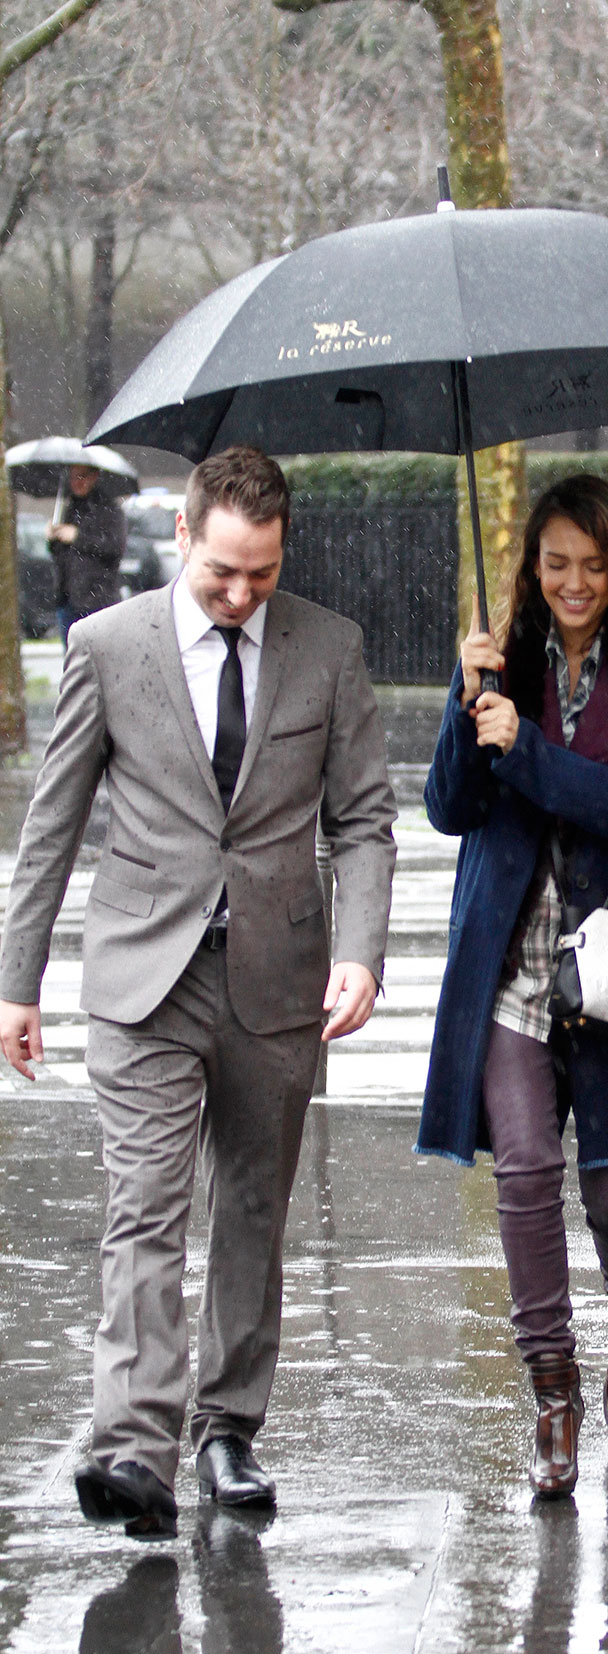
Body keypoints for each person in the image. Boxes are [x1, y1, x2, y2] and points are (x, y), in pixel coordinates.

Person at [0, 447, 397, 1539]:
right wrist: (15, 981)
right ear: (182, 535)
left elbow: (363, 816)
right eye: (223, 570)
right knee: (144, 1206)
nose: (239, 594)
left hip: (277, 977)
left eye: (261, 574)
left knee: (254, 1212)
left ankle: (227, 1427)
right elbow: (53, 824)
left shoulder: (328, 648)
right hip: (142, 976)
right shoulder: (108, 645)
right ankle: (130, 1443)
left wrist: (359, 949)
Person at [419, 474, 608, 1500]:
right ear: (531, 567)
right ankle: (554, 1395)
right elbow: (447, 810)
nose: (574, 583)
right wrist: (468, 714)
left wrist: (529, 750)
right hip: (510, 963)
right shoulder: (498, 660)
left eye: (593, 565)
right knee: (524, 1173)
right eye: (555, 564)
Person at [46, 462, 126, 642]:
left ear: (94, 476)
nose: (76, 482)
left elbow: (114, 547)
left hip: (97, 599)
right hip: (67, 600)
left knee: (99, 655)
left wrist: (78, 536)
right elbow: (60, 555)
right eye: (73, 476)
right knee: (71, 660)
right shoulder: (69, 508)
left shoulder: (109, 510)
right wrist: (52, 538)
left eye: (82, 476)